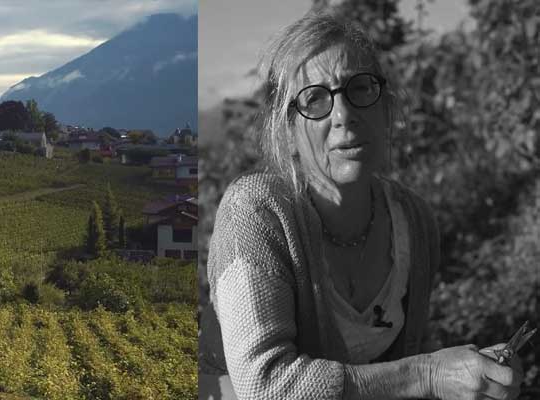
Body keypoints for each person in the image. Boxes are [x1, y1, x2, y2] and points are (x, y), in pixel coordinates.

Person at [198, 10, 523, 400]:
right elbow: (266, 385)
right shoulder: (255, 215)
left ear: (385, 107)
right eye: (314, 99)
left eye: (360, 89)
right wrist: (431, 375)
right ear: (286, 130)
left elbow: (409, 359)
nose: (344, 116)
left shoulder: (414, 221)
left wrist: (476, 375)